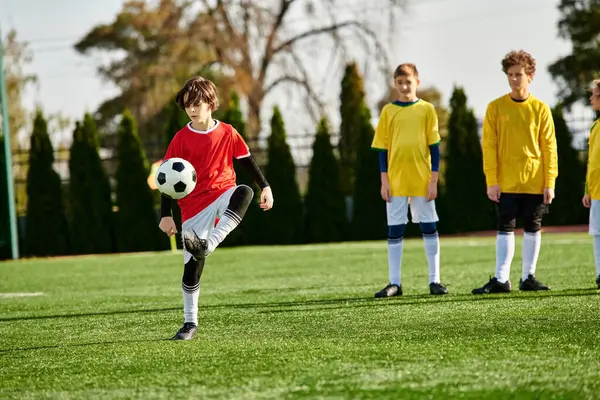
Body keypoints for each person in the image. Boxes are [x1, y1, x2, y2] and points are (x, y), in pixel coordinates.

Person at [159, 76, 273, 340]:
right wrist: (165, 214)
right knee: (192, 269)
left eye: (197, 103)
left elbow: (247, 161)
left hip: (222, 194)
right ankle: (190, 323)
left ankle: (209, 243)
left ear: (210, 103)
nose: (192, 109)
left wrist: (265, 186)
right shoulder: (180, 139)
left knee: (244, 191)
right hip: (192, 209)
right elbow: (166, 178)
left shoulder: (227, 132)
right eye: (187, 104)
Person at [473, 50, 557, 294]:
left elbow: (550, 148)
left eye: (519, 74)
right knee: (505, 226)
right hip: (506, 182)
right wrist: (492, 180)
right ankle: (501, 279)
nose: (514, 79)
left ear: (530, 76)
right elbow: (488, 148)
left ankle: (528, 277)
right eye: (510, 75)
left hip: (534, 180)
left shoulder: (541, 109)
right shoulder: (495, 108)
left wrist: (549, 182)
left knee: (533, 226)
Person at [371, 63, 448, 297]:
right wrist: (384, 180)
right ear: (395, 84)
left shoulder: (426, 109)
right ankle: (395, 283)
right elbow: (382, 149)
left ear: (417, 82)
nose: (405, 86)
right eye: (400, 82)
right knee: (394, 230)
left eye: (409, 82)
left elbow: (434, 147)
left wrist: (433, 179)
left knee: (429, 227)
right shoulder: (388, 111)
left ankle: (435, 280)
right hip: (395, 181)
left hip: (422, 180)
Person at [581, 79, 600, 289]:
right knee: (597, 233)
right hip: (597, 191)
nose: (590, 98)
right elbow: (591, 161)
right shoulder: (595, 127)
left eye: (594, 94)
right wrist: (588, 189)